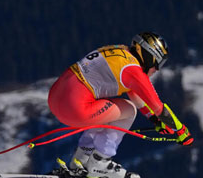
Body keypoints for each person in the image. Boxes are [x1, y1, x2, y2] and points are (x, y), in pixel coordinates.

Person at [47, 32, 193, 178]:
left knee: (106, 114)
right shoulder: (133, 70)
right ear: (150, 56)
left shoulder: (120, 51)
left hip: (55, 98)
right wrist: (181, 131)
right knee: (129, 110)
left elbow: (134, 93)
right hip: (75, 110)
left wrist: (154, 120)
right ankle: (100, 161)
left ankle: (81, 160)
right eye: (158, 63)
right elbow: (159, 108)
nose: (157, 69)